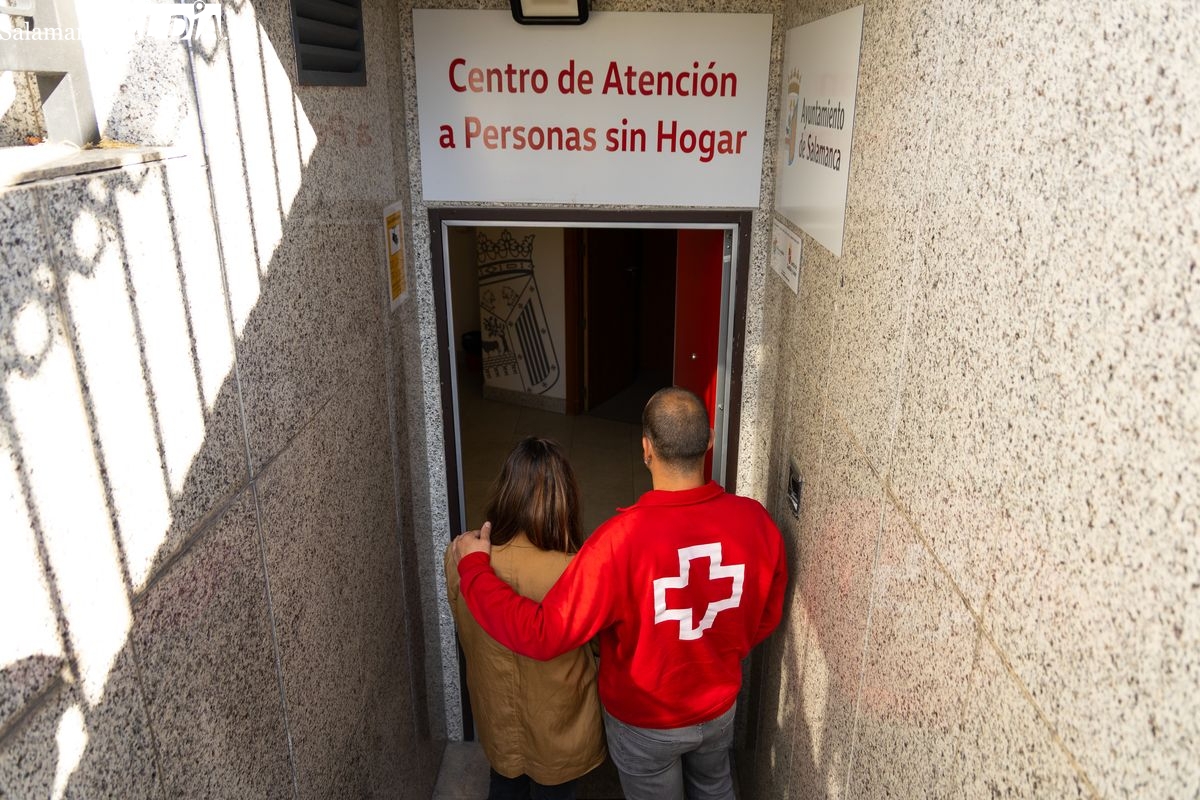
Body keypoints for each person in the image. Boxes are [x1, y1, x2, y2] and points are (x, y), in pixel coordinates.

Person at [452, 387, 787, 800]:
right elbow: (767, 614)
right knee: (716, 788)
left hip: (645, 720)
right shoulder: (755, 521)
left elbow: (542, 634)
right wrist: (717, 650)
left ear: (646, 449)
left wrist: (473, 569)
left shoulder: (619, 542)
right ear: (710, 442)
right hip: (719, 709)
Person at [443, 437, 606, 800]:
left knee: (504, 784)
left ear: (505, 491)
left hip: (496, 717)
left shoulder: (460, 556)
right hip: (559, 727)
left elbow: (464, 619)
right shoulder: (576, 572)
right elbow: (599, 645)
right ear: (564, 500)